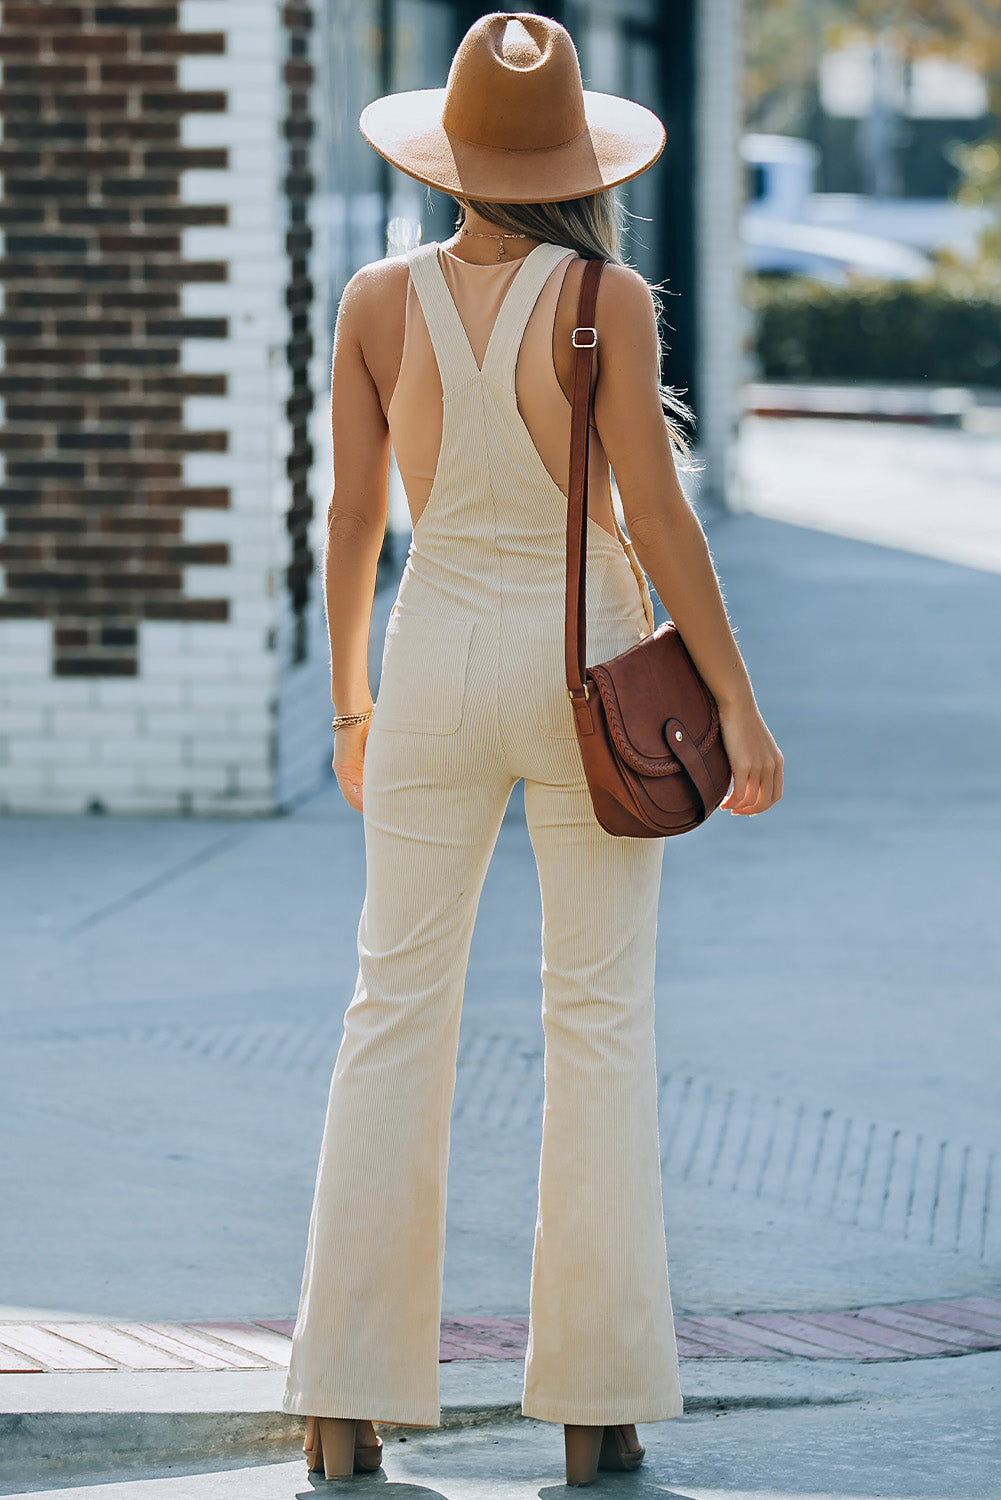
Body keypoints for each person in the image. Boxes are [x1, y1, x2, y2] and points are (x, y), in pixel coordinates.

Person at [282, 11, 783, 1488]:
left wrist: (347, 706)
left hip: (428, 661)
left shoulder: (378, 298)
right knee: (597, 1022)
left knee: (392, 1016)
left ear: (451, 160)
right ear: (577, 162)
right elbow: (654, 516)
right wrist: (737, 710)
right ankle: (593, 1406)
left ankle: (342, 1400)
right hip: (583, 667)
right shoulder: (603, 298)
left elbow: (352, 521)